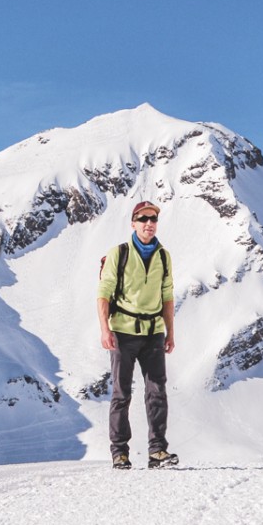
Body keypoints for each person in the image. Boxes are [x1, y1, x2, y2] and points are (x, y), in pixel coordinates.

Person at [97, 200, 178, 469]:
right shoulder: (119, 254)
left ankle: (158, 451)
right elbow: (103, 294)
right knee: (122, 394)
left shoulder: (163, 256)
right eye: (143, 219)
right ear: (133, 223)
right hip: (122, 331)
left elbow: (167, 296)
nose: (149, 224)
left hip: (153, 332)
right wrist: (105, 329)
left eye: (153, 219)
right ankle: (119, 452)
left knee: (157, 392)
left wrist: (170, 333)